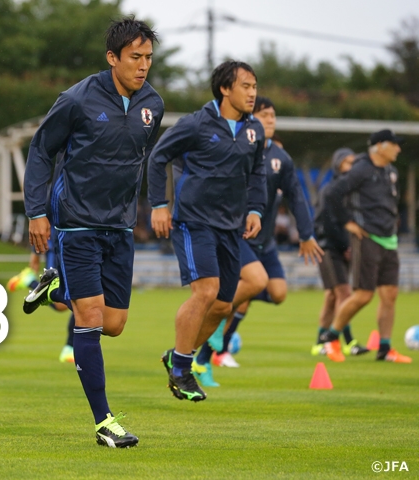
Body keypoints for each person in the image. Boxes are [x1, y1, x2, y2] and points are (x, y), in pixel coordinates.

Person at [21, 18, 163, 448]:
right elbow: (42, 151)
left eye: (149, 58)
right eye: (135, 58)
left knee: (115, 325)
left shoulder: (152, 104)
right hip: (75, 221)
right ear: (112, 58)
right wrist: (36, 212)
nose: (143, 66)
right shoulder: (77, 99)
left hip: (119, 226)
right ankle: (105, 423)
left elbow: (142, 158)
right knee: (91, 317)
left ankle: (53, 290)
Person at [147, 60, 267, 401]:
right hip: (192, 221)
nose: (252, 92)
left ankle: (177, 356)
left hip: (231, 227)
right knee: (205, 292)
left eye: (254, 86)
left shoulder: (254, 130)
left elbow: (257, 171)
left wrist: (256, 208)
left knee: (222, 306)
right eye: (246, 86)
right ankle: (182, 374)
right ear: (225, 89)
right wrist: (159, 205)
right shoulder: (196, 124)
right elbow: (158, 157)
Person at [192, 96, 323, 384]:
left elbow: (296, 196)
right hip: (237, 235)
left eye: (274, 116)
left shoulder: (281, 157)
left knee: (277, 293)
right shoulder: (238, 148)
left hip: (266, 243)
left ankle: (217, 325)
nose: (271, 120)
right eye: (265, 115)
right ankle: (212, 331)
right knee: (254, 282)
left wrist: (306, 234)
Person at [320, 130, 411, 363]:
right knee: (363, 295)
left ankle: (385, 348)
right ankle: (331, 339)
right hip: (367, 238)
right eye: (394, 144)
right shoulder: (360, 169)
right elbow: (331, 194)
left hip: (389, 239)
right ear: (380, 146)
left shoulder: (391, 171)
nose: (398, 149)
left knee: (390, 294)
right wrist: (348, 223)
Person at [312, 148, 369, 357]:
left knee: (331, 296)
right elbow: (327, 223)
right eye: (347, 163)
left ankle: (320, 341)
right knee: (344, 294)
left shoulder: (352, 193)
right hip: (329, 248)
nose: (351, 168)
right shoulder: (330, 191)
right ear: (337, 165)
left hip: (344, 248)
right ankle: (347, 341)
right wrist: (344, 245)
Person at [7, 224, 76, 364]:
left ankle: (70, 348)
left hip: (79, 246)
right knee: (63, 303)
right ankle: (30, 281)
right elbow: (42, 217)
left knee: (81, 300)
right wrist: (35, 253)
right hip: (61, 247)